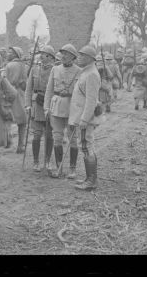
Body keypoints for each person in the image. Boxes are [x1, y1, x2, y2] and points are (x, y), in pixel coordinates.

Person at [44, 44, 81, 179]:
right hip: (56, 106)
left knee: (73, 139)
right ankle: (59, 167)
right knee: (57, 137)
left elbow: (82, 93)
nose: (64, 56)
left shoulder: (79, 71)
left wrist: (80, 111)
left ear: (73, 56)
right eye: (62, 53)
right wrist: (46, 108)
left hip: (72, 107)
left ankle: (72, 169)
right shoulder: (55, 69)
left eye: (67, 54)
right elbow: (49, 90)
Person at [68, 45, 101, 191]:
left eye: (81, 56)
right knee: (85, 146)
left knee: (87, 146)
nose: (78, 58)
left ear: (89, 58)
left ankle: (91, 181)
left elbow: (91, 100)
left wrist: (84, 119)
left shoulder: (91, 74)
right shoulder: (86, 72)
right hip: (80, 116)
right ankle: (89, 178)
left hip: (84, 118)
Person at [24, 45, 55, 172]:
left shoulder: (55, 70)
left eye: (44, 54)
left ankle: (47, 161)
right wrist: (27, 104)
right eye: (41, 53)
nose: (41, 56)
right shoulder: (34, 69)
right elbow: (28, 89)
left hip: (49, 105)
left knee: (49, 135)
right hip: (36, 104)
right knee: (36, 135)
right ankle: (36, 161)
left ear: (51, 57)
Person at [5, 46, 28, 153]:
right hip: (21, 94)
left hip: (9, 93)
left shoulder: (9, 65)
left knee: (7, 118)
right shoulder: (25, 66)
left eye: (10, 52)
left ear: (15, 54)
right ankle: (21, 145)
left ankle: (8, 139)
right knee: (22, 122)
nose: (8, 54)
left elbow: (4, 81)